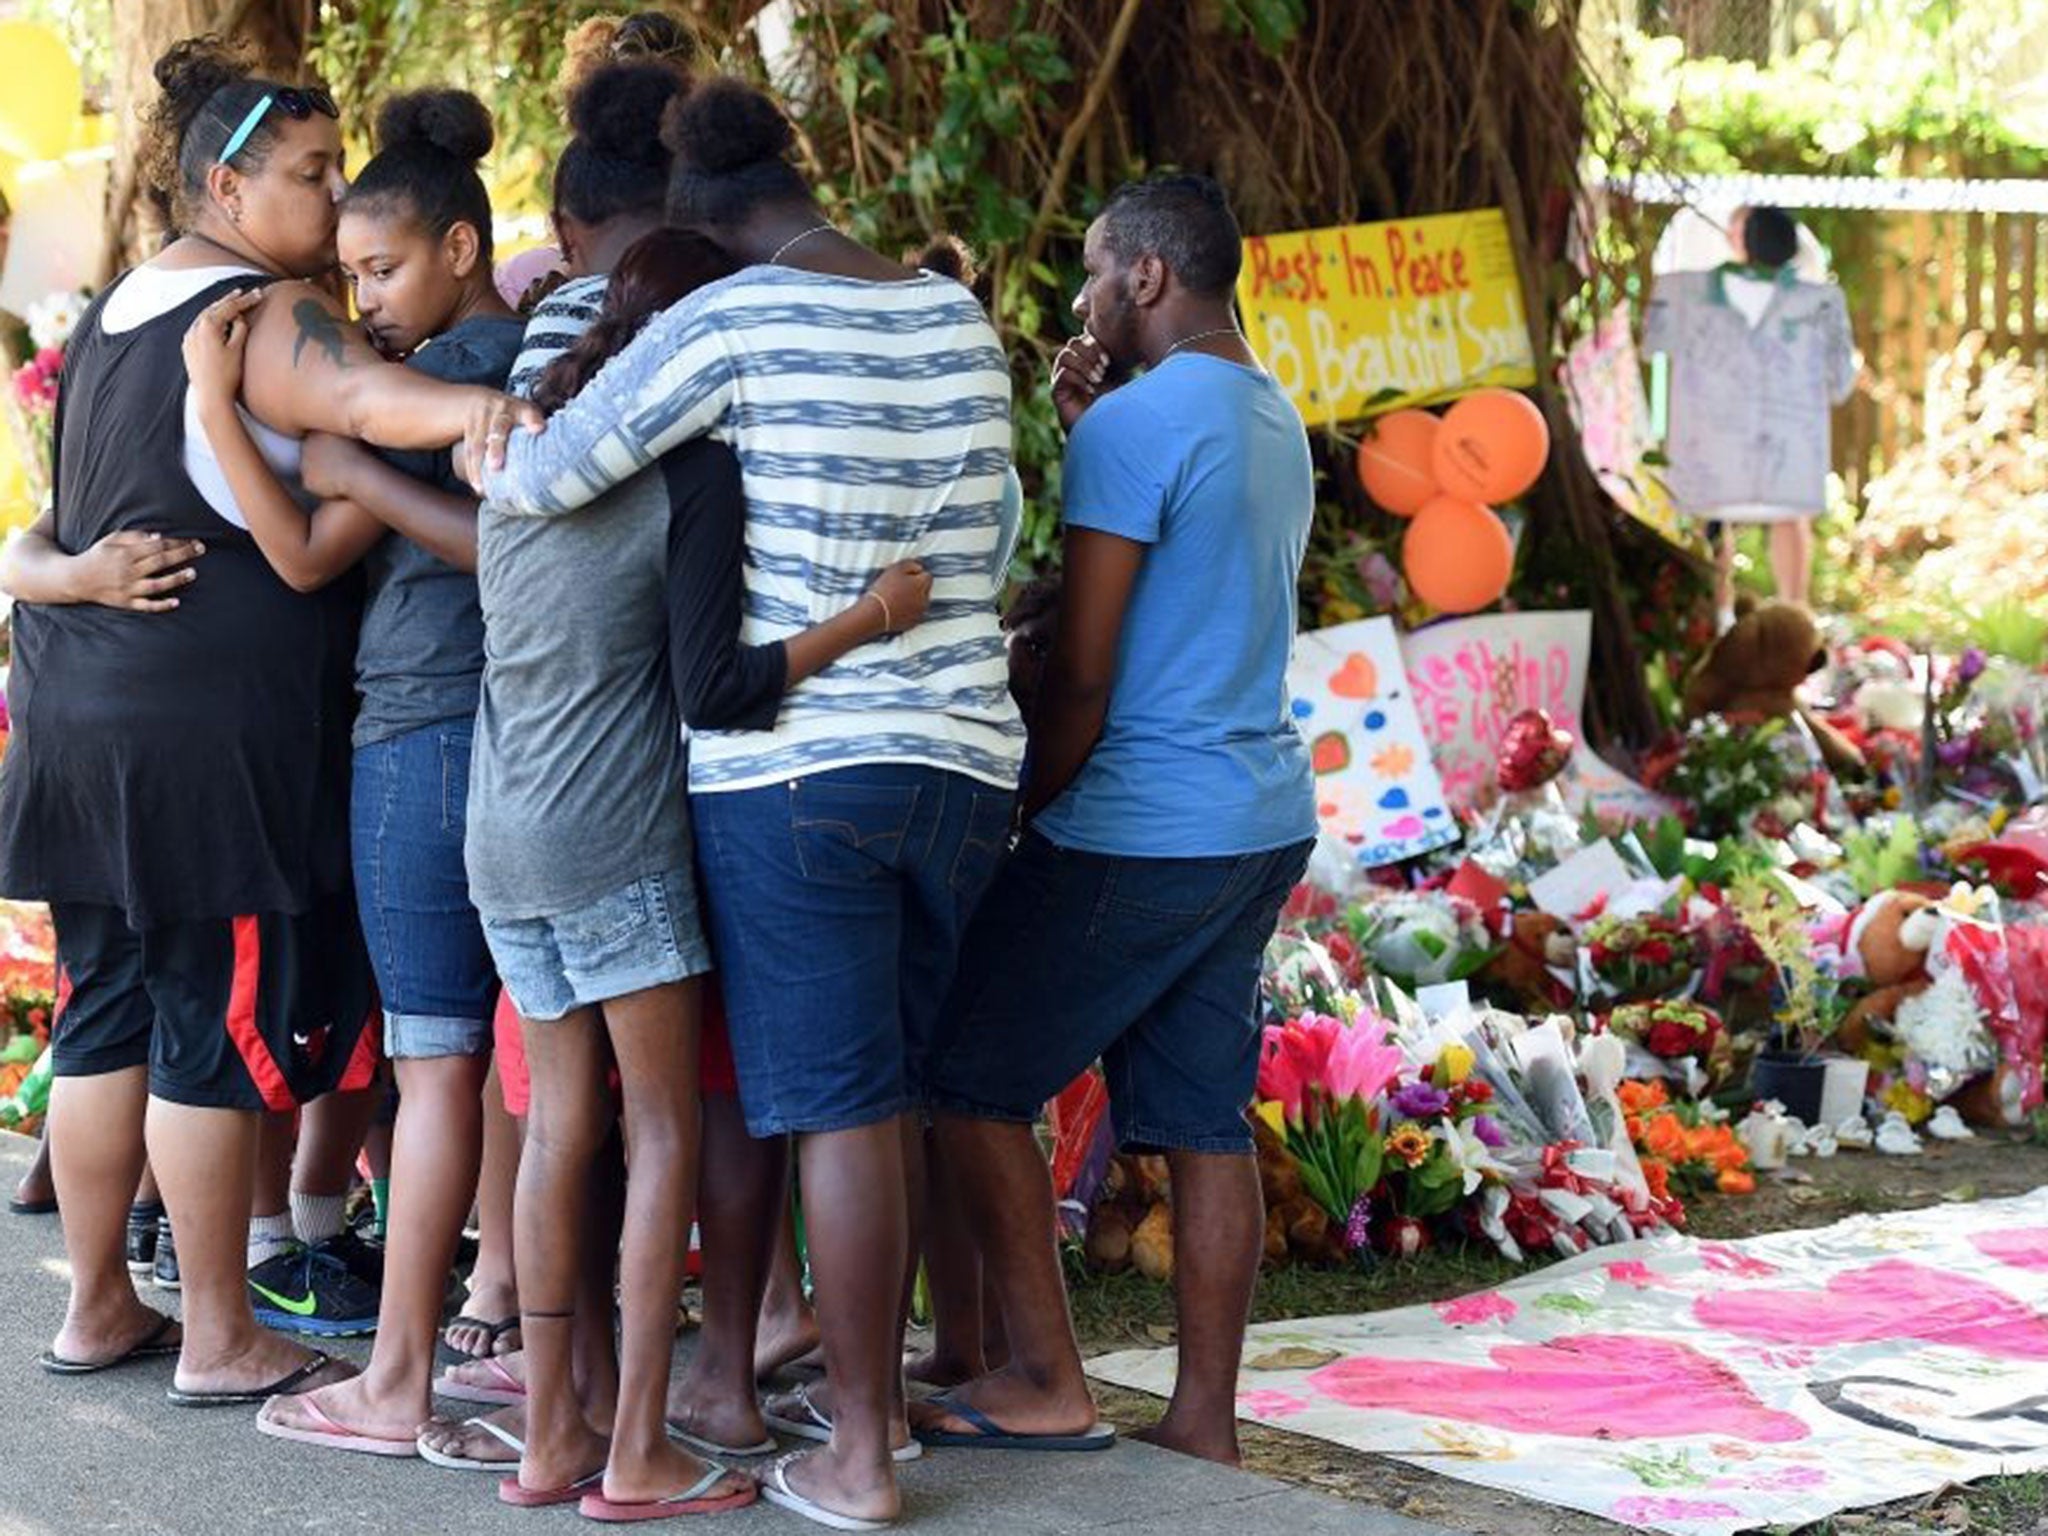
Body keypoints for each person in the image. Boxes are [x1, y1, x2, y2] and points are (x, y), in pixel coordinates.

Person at [473, 76, 1023, 1531]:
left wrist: (500, 430)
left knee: (829, 1111)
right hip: (962, 757)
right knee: (891, 1097)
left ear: (706, 221)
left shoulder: (726, 319)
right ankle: (866, 1395)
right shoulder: (954, 317)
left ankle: (858, 1453)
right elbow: (1006, 531)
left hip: (797, 772)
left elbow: (555, 473)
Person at [0, 34, 524, 1409]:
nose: (331, 193)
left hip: (83, 711)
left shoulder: (121, 310)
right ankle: (223, 1332)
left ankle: (103, 1303)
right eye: (308, 173)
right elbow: (355, 398)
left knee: (103, 1009)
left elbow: (51, 530)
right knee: (201, 1018)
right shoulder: (262, 313)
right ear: (226, 189)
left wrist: (67, 578)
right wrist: (479, 404)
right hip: (205, 735)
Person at [917, 174, 1318, 1469]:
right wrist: (1101, 425)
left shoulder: (1133, 433)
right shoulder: (1272, 414)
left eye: (1097, 275)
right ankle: (1205, 1420)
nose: (1084, 301)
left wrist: (1026, 805)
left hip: (1139, 820)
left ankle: (1047, 1379)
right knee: (1203, 1123)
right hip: (1257, 812)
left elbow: (1081, 668)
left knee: (968, 1081)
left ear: (1146, 276)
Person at [182, 84, 529, 1454]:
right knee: (516, 1059)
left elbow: (306, 551)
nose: (360, 298)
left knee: (435, 1064)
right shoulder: (547, 349)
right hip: (531, 737)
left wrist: (227, 407)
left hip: (419, 732)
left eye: (379, 267)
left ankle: (397, 1380)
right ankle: (503, 1315)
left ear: (457, 246)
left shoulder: (437, 387)